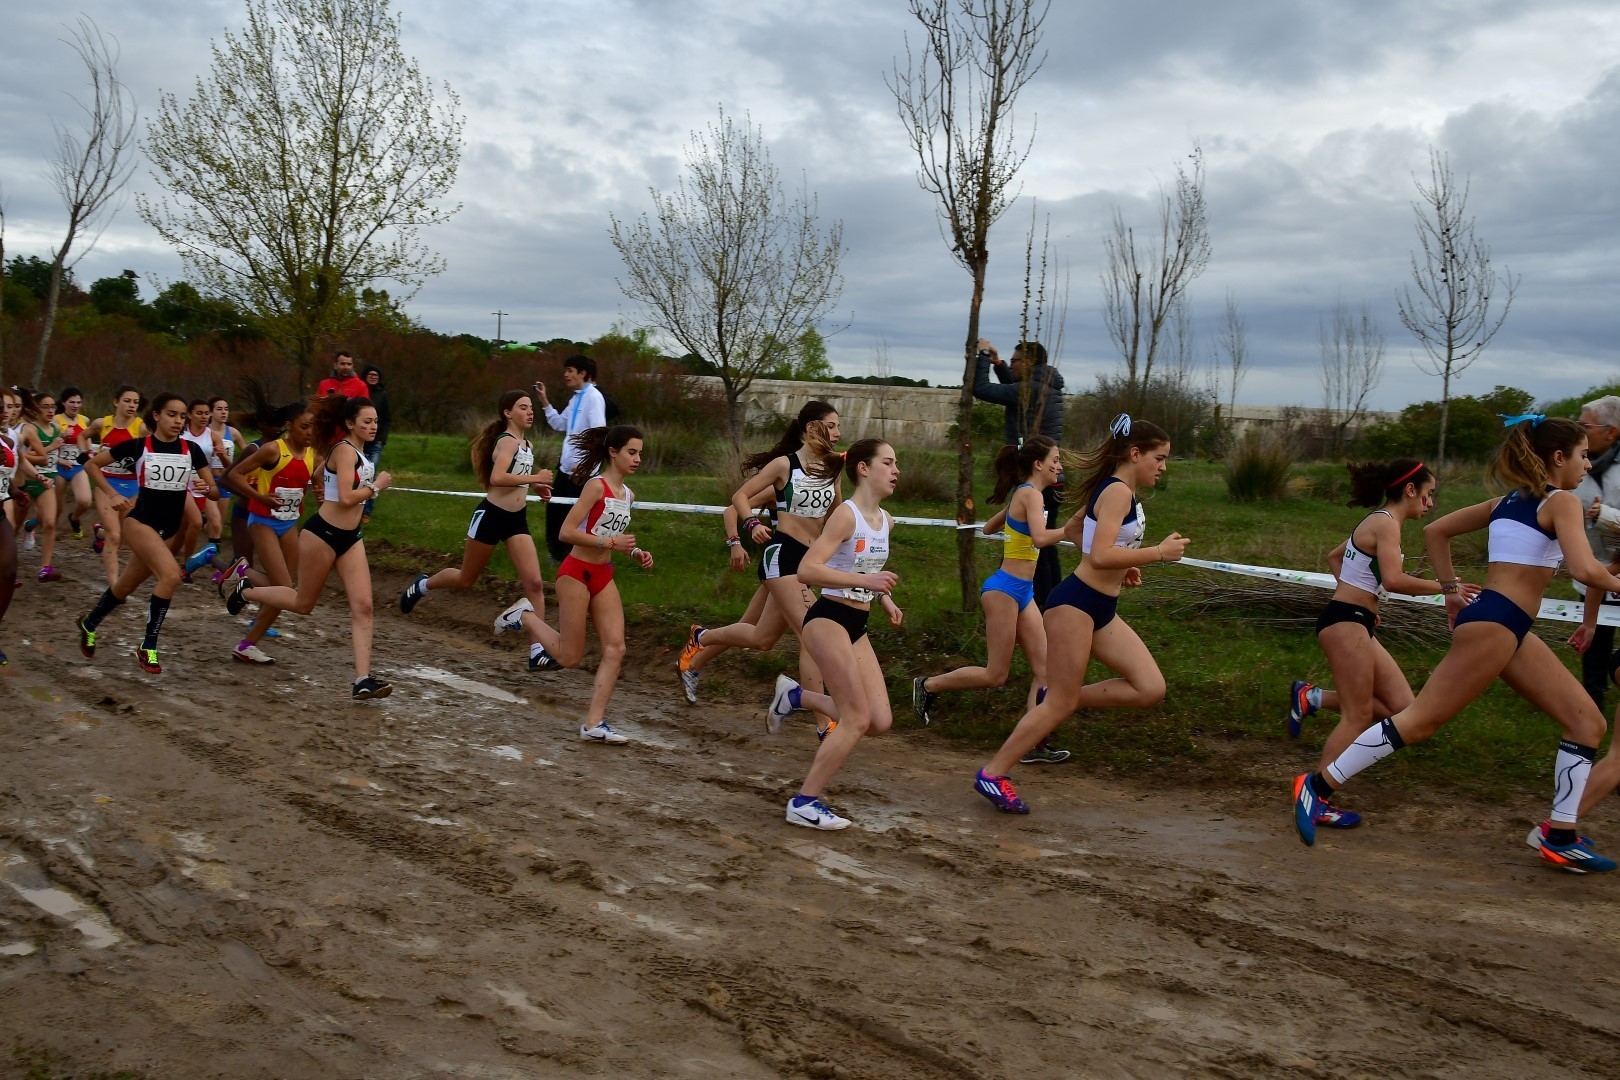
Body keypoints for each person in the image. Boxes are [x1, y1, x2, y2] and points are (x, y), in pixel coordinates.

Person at [1292, 415, 1620, 873]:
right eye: (1584, 455)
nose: (1588, 464)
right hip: (1497, 624)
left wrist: (1451, 594)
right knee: (1420, 721)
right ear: (1558, 458)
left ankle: (1559, 834)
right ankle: (1318, 786)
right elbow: (1586, 571)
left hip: (1504, 625)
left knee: (1587, 723)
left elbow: (1435, 531)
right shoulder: (1562, 501)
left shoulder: (1506, 501)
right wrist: (1448, 592)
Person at [973, 414, 1188, 814]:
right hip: (1075, 604)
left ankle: (1056, 696)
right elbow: (1101, 553)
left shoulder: (1120, 490)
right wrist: (1156, 553)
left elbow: (1079, 531)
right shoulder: (1118, 492)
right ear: (1135, 453)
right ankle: (993, 773)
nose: (1163, 467)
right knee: (1061, 704)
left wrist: (1126, 565)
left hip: (1100, 606)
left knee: (1149, 687)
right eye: (1159, 458)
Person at [1285, 460, 1470, 830]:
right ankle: (1316, 795)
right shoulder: (1386, 523)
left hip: (1355, 621)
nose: (1431, 504)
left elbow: (1335, 558)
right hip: (1345, 624)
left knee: (1403, 708)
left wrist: (1364, 599)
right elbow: (1395, 580)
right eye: (1429, 494)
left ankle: (1311, 697)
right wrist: (1448, 588)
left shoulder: (1380, 521)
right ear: (1411, 490)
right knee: (1358, 715)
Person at [764, 439, 903, 830]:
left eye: (896, 464)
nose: (896, 470)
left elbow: (867, 570)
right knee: (856, 719)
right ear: (863, 468)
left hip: (858, 623)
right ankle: (803, 802)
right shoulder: (846, 515)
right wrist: (865, 580)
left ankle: (795, 697)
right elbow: (808, 570)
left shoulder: (886, 520)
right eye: (888, 463)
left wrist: (884, 598)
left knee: (878, 721)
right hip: (828, 619)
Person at [680, 403, 843, 736]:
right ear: (812, 427)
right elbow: (738, 497)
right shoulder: (785, 465)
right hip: (783, 554)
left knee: (762, 637)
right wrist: (748, 527)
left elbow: (838, 518)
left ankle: (701, 637)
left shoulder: (832, 469)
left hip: (809, 563)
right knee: (813, 633)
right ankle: (823, 723)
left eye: (840, 426)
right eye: (832, 425)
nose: (838, 433)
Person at [226, 394, 393, 699]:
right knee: (303, 603)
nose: (373, 426)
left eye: (376, 421)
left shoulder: (361, 453)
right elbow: (345, 498)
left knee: (364, 605)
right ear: (349, 423)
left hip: (351, 537)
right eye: (367, 421)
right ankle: (245, 589)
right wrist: (376, 487)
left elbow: (319, 473)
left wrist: (321, 483)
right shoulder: (344, 451)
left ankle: (362, 680)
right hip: (323, 534)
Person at [499, 425, 652, 744]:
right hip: (576, 573)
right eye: (632, 452)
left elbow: (610, 533)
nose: (637, 459)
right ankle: (525, 616)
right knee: (570, 657)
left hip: (603, 574)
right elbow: (566, 532)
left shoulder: (628, 495)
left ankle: (593, 723)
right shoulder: (596, 487)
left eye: (640, 453)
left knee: (616, 647)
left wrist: (634, 551)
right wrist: (611, 542)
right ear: (614, 453)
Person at [912, 436, 1066, 752]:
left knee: (1045, 669)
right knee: (996, 674)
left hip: (1023, 591)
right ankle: (927, 686)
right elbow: (1039, 538)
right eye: (1056, 460)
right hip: (1004, 591)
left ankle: (1035, 742)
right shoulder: (1032, 495)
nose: (1060, 466)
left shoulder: (1026, 494)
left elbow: (987, 529)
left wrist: (1013, 512)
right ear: (1039, 464)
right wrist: (1071, 530)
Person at [401, 391, 554, 665]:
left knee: (534, 583)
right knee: (465, 579)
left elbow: (515, 476)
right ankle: (423, 585)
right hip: (491, 516)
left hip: (516, 520)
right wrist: (536, 476)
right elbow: (497, 478)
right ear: (508, 413)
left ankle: (537, 652)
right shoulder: (506, 442)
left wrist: (536, 486)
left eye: (531, 407)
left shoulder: (526, 444)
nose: (530, 412)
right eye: (523, 407)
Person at [77, 393, 219, 674]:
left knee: (125, 586)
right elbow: (92, 465)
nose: (178, 421)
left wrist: (207, 489)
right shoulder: (139, 446)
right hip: (140, 523)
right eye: (172, 414)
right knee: (170, 576)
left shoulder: (192, 450)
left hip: (169, 528)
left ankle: (89, 623)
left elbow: (213, 488)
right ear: (156, 416)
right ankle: (148, 646)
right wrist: (112, 493)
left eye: (182, 416)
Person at [220, 400, 319, 663]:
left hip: (288, 524)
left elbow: (319, 483)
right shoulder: (273, 450)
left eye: (313, 427)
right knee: (285, 588)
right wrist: (260, 497)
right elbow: (234, 475)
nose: (310, 432)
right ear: (289, 427)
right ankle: (241, 575)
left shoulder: (313, 454)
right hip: (262, 521)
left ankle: (246, 645)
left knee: (284, 592)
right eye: (304, 427)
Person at [972, 338, 1067, 607]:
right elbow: (1015, 390)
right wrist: (999, 364)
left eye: (1015, 362)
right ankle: (1046, 603)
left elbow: (981, 389)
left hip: (1040, 479)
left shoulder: (1033, 390)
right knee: (1043, 548)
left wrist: (981, 356)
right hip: (1050, 479)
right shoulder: (1042, 386)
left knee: (1039, 546)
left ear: (1029, 364)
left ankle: (1039, 604)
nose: (1011, 366)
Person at [675, 493, 778, 705]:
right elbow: (731, 510)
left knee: (746, 626)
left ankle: (692, 663)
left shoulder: (822, 479)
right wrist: (735, 543)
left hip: (796, 567)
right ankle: (823, 717)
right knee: (803, 634)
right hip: (782, 566)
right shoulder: (781, 479)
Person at [1570, 396, 1620, 708]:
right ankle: (1592, 700)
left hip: (1617, 569)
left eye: (1585, 426)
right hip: (1590, 570)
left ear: (1611, 432)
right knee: (1595, 637)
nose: (1579, 429)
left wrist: (1607, 515)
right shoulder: (1576, 463)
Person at [534, 356, 606, 564]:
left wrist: (585, 466)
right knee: (555, 510)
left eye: (570, 370)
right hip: (565, 469)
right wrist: (544, 401)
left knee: (578, 516)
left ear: (582, 373)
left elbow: (599, 435)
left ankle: (577, 557)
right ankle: (556, 555)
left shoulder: (593, 397)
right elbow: (559, 424)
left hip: (582, 474)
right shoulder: (575, 398)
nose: (565, 374)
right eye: (565, 370)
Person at [79, 386, 144, 587]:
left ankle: (99, 533)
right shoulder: (102, 423)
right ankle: (114, 584)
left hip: (133, 486)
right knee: (114, 536)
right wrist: (85, 454)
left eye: (135, 402)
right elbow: (82, 436)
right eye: (127, 400)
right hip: (106, 483)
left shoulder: (140, 427)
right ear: (116, 402)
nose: (132, 405)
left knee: (123, 536)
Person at [17, 390, 64, 582]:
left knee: (50, 522)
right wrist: (51, 447)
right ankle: (8, 564)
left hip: (47, 479)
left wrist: (60, 459)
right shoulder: (29, 429)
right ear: (36, 409)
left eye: (53, 406)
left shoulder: (56, 428)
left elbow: (49, 459)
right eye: (45, 406)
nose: (50, 410)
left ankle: (45, 567)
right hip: (25, 480)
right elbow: (21, 457)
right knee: (12, 526)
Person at [54, 387, 92, 540]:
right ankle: (51, 531)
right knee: (57, 507)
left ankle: (74, 518)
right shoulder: (56, 420)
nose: (75, 405)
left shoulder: (85, 420)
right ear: (63, 403)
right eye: (71, 402)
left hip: (77, 467)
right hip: (58, 466)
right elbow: (47, 447)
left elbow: (88, 441)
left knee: (85, 501)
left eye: (78, 402)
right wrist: (62, 435)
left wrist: (89, 454)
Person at [358, 365, 391, 521]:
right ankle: (356, 507)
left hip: (375, 442)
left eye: (376, 375)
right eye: (370, 374)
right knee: (358, 474)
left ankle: (367, 511)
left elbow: (387, 418)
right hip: (360, 440)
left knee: (371, 474)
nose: (373, 377)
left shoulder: (382, 394)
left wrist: (381, 438)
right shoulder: (361, 391)